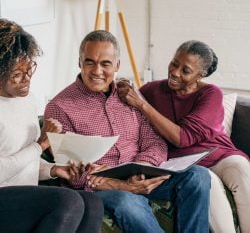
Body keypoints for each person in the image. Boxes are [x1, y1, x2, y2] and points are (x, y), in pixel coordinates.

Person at [44, 30, 211, 233]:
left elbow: (155, 142)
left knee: (198, 176)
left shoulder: (130, 96)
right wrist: (120, 185)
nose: (97, 71)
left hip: (138, 175)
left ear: (117, 65)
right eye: (89, 62)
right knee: (128, 201)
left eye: (105, 63)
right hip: (101, 188)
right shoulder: (59, 107)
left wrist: (142, 167)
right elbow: (71, 174)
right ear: (79, 62)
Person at [117, 40, 250, 233]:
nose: (175, 72)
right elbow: (124, 103)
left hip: (218, 154)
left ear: (200, 75)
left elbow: (183, 138)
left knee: (241, 170)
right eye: (174, 63)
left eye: (185, 70)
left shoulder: (211, 93)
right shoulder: (152, 90)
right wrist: (122, 87)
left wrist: (142, 105)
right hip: (185, 164)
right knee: (206, 181)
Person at [0, 18, 104, 233]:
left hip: (24, 194)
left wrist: (55, 170)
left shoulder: (28, 100)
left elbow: (25, 161)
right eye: (17, 75)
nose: (26, 80)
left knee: (92, 203)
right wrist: (41, 144)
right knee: (68, 201)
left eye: (29, 70)